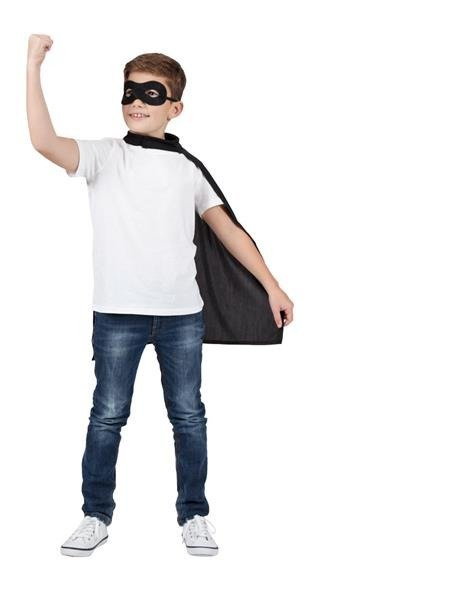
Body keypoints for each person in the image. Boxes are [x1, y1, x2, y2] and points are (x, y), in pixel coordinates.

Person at [26, 34, 294, 557]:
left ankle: (194, 515)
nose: (136, 102)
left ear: (174, 107)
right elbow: (43, 141)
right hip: (117, 315)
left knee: (188, 416)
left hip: (181, 316)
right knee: (107, 416)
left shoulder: (187, 168)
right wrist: (33, 65)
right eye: (129, 91)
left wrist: (272, 285)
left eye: (151, 94)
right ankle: (95, 515)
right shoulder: (106, 157)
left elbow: (228, 231)